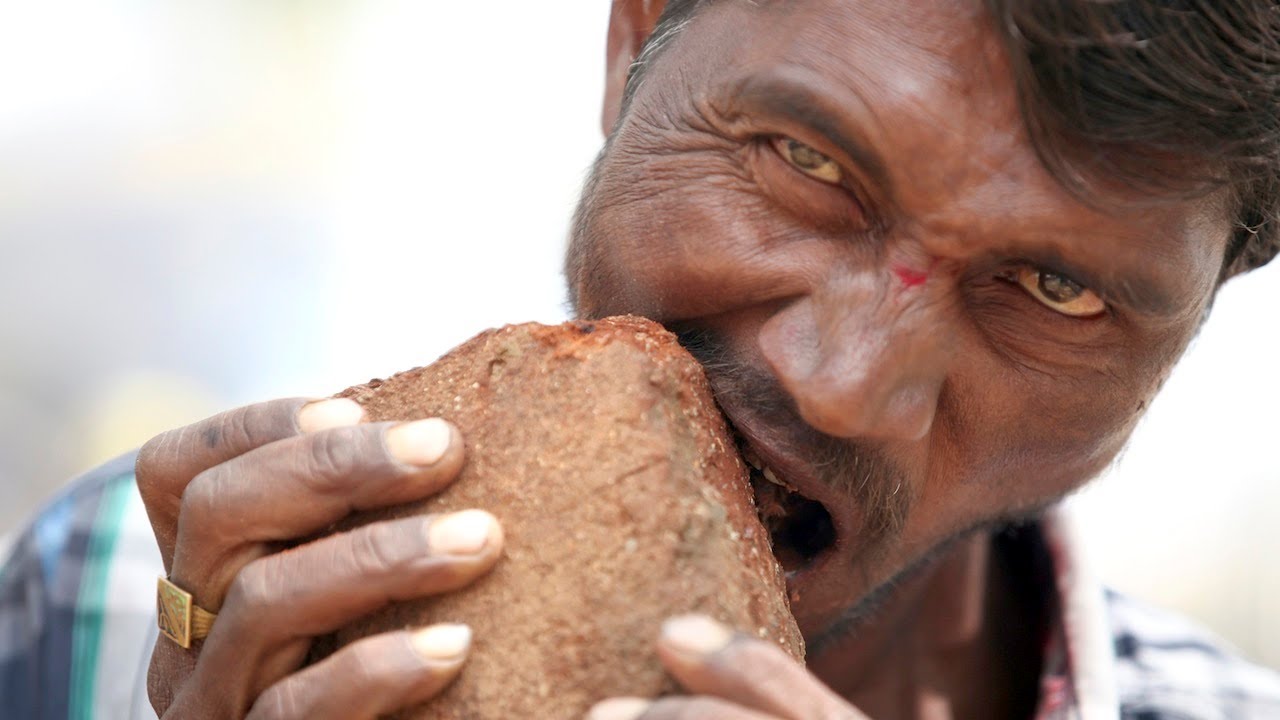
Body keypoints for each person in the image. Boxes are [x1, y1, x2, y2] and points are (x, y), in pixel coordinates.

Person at [4, 0, 1280, 718]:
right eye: (806, 160)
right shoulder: (118, 590)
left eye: (1055, 290)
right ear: (633, 44)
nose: (837, 381)